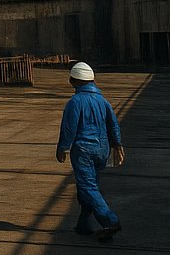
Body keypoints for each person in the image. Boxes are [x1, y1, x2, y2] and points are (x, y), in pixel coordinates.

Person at [56, 61, 124, 240]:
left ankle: (110, 221)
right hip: (102, 149)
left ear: (74, 81)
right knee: (89, 186)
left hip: (83, 150)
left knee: (87, 187)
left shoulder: (75, 102)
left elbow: (69, 128)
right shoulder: (103, 101)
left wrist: (63, 148)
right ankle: (83, 225)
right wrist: (117, 144)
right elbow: (113, 124)